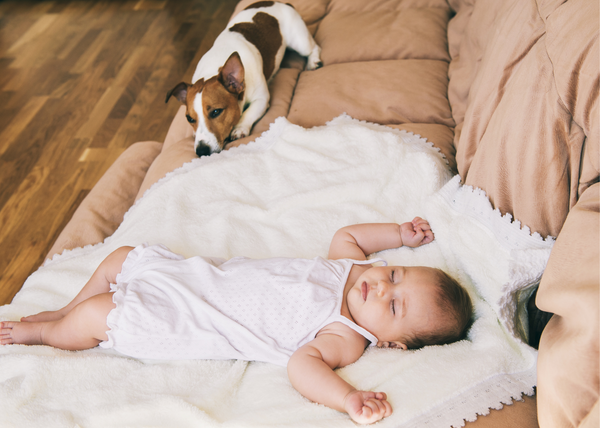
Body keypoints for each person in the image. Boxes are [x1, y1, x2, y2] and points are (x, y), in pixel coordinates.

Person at [0, 217, 472, 424]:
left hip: (184, 317)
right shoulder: (350, 270)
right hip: (193, 276)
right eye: (394, 274)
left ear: (391, 344)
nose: (382, 287)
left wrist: (347, 397)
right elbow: (347, 234)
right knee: (120, 259)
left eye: (393, 306)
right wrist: (399, 235)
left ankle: (44, 330)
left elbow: (302, 368)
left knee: (96, 316)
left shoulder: (345, 336)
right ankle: (61, 312)